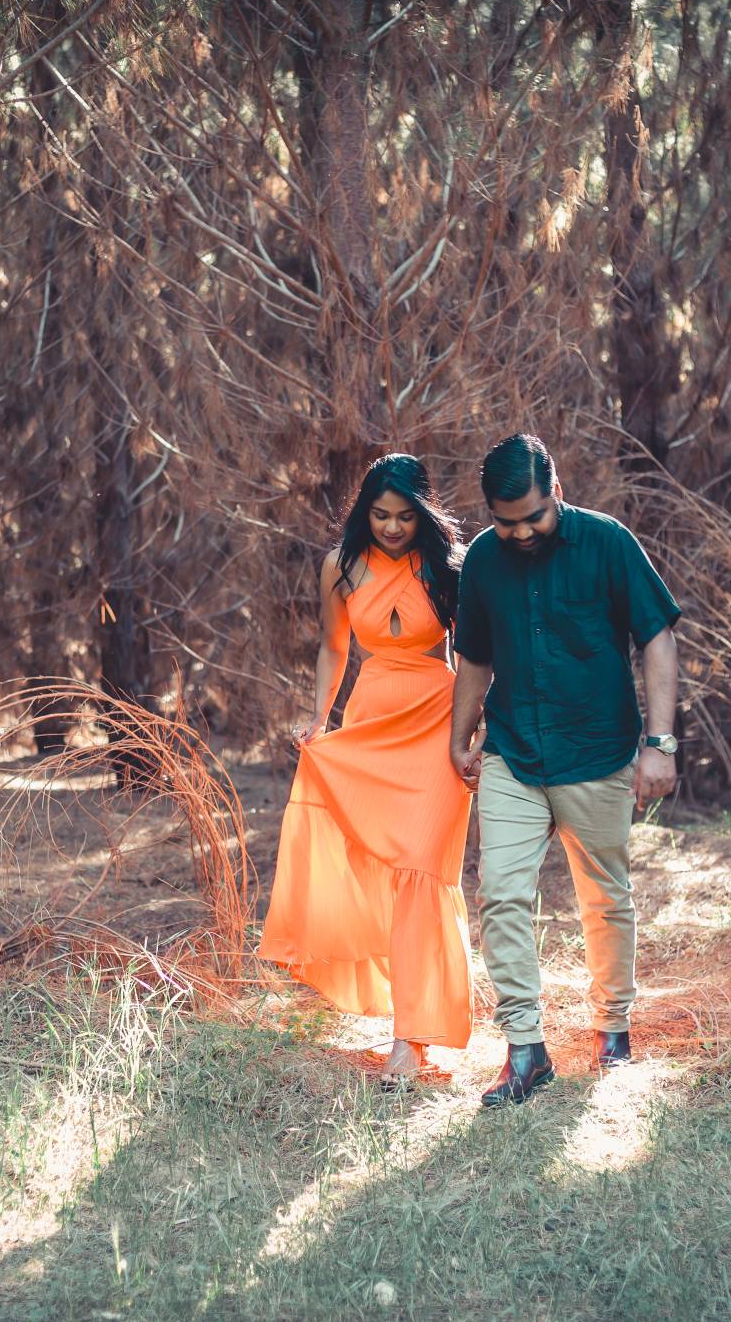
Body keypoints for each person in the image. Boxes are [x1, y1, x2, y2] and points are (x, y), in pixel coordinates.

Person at [450, 434, 681, 1106]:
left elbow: (657, 636)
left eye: (533, 516)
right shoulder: (484, 562)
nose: (520, 532)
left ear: (556, 489)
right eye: (506, 520)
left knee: (604, 897)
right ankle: (525, 1048)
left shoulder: (608, 542)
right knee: (500, 895)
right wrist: (460, 737)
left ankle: (613, 1033)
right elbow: (473, 657)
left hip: (598, 753)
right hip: (513, 753)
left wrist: (659, 742)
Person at [259, 454, 473, 1088]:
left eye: (406, 516)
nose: (392, 527)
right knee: (385, 873)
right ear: (364, 512)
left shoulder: (448, 566)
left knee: (422, 869)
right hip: (373, 716)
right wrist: (319, 720)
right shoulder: (340, 567)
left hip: (437, 720)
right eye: (380, 515)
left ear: (424, 514)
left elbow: (472, 655)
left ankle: (411, 1042)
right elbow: (333, 647)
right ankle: (406, 1020)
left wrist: (474, 728)